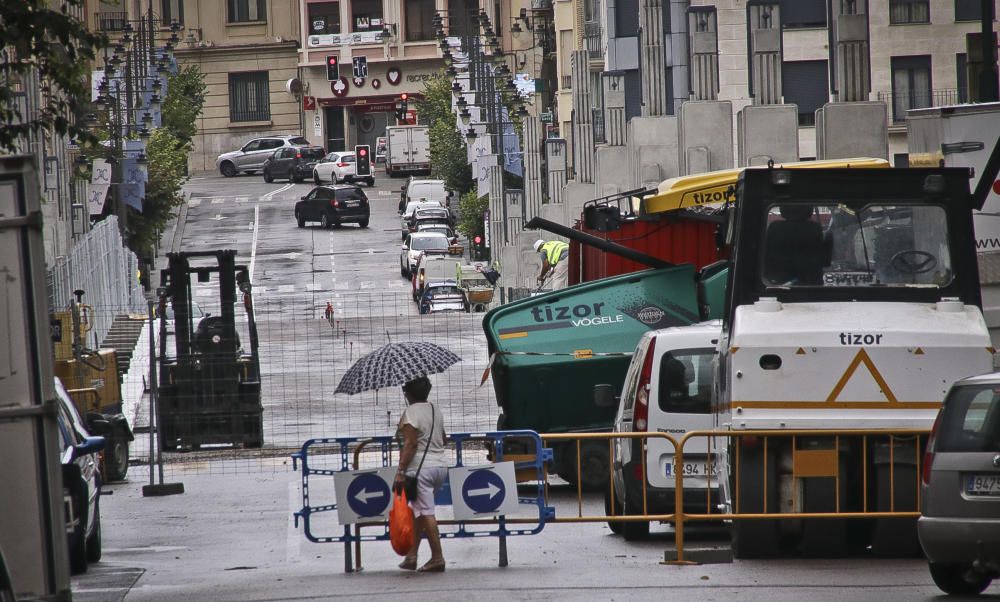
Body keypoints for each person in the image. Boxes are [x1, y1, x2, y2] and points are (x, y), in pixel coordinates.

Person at [393, 376, 448, 572]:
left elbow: (411, 444)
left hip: (420, 470)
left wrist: (400, 470)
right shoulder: (435, 409)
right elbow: (444, 439)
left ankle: (437, 557)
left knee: (426, 512)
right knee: (420, 511)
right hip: (440, 467)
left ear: (407, 393)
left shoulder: (411, 412)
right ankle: (412, 555)